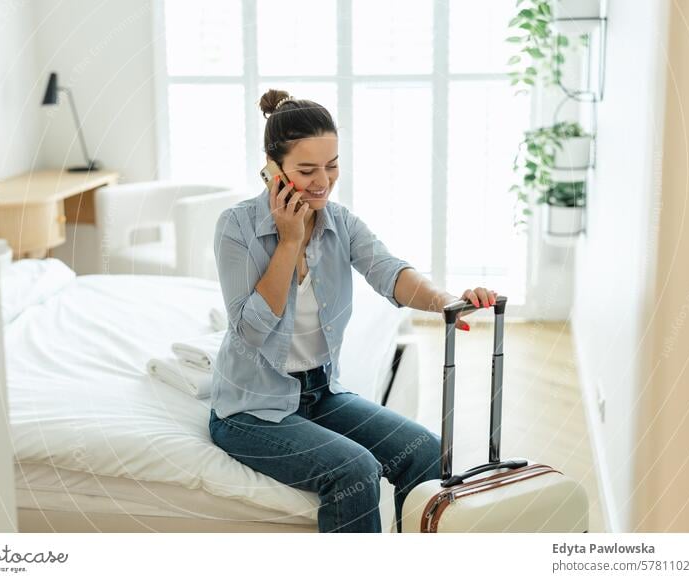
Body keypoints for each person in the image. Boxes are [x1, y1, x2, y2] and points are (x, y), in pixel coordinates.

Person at [208, 89, 498, 533]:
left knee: (426, 450)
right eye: (307, 170)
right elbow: (249, 331)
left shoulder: (340, 223)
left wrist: (443, 301)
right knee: (355, 469)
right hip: (250, 410)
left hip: (319, 393)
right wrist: (288, 241)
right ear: (273, 168)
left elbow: (390, 272)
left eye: (332, 164)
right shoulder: (237, 227)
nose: (323, 180)